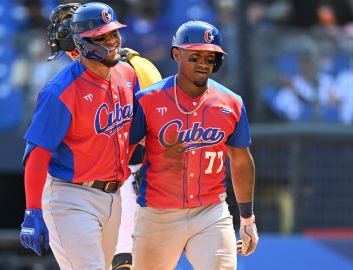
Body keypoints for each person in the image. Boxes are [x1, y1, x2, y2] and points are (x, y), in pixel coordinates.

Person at [19, 2, 140, 270]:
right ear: (81, 43)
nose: (111, 42)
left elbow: (134, 133)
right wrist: (32, 210)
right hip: (71, 197)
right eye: (101, 38)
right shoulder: (60, 91)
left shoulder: (127, 73)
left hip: (114, 194)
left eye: (114, 34)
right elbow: (37, 155)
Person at [129, 21, 259, 270]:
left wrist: (247, 218)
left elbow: (241, 161)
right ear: (177, 54)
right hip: (158, 214)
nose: (203, 63)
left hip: (210, 212)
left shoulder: (231, 103)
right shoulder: (147, 100)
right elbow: (123, 152)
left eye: (210, 57)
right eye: (195, 56)